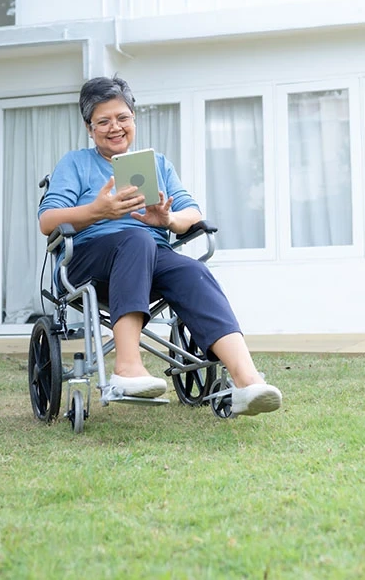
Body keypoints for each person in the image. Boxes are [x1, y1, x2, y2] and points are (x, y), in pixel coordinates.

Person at [38, 76, 282, 416]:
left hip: (150, 259)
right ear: (89, 128)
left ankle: (247, 381)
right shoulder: (75, 163)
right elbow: (47, 221)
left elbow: (192, 213)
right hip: (90, 264)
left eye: (122, 118)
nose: (115, 127)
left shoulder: (157, 165)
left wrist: (167, 221)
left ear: (133, 119)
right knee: (135, 239)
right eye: (103, 121)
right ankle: (126, 368)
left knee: (192, 271)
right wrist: (98, 210)